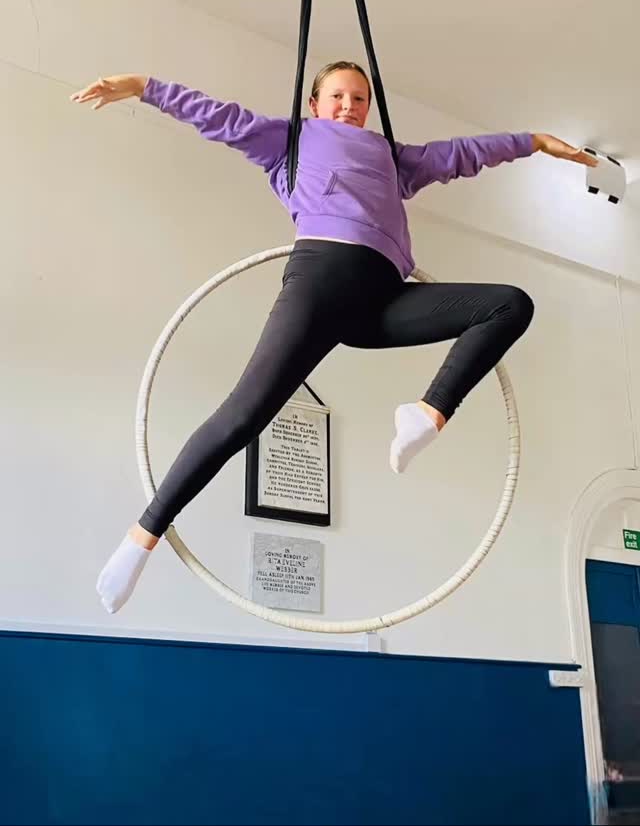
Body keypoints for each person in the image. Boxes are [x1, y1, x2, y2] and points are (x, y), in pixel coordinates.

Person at [71, 62, 596, 613]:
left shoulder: (395, 160)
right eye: (338, 96)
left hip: (381, 304)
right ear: (315, 104)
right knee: (245, 414)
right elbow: (218, 117)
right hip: (322, 281)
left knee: (509, 305)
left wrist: (533, 141)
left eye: (360, 98)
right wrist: (144, 88)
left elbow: (464, 153)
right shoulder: (291, 140)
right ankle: (141, 537)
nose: (350, 106)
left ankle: (427, 412)